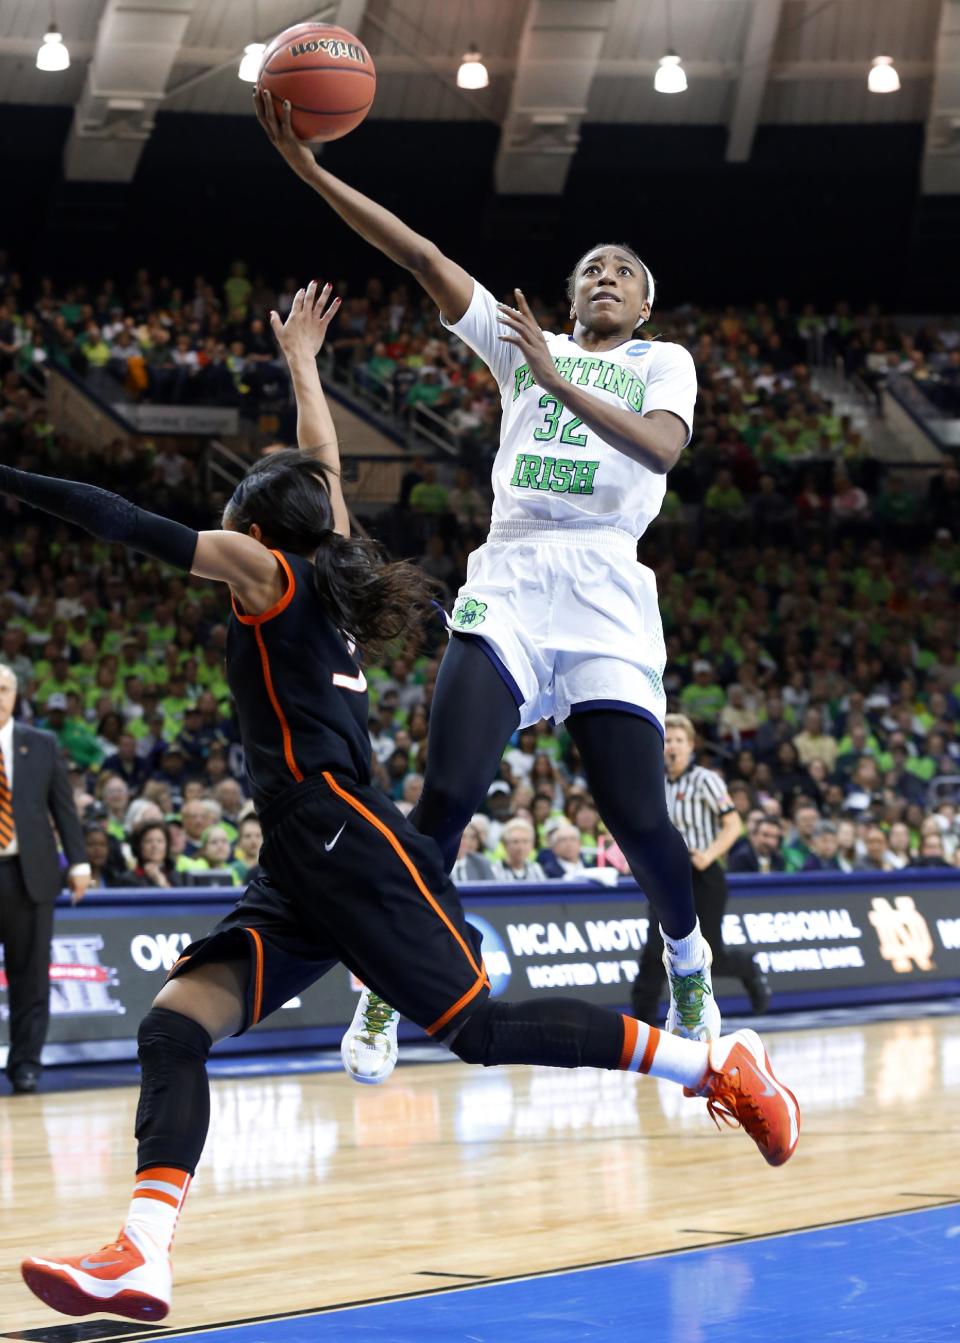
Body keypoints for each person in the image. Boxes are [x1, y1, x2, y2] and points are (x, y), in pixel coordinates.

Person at [10, 281, 799, 1324]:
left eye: (236, 512)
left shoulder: (264, 571)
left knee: (477, 1026)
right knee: (173, 1027)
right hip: (300, 851)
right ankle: (142, 1254)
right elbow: (324, 466)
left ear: (249, 525)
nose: (225, 523)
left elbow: (126, 519)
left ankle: (716, 1062)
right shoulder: (324, 561)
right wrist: (301, 366)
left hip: (342, 830)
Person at [254, 96, 723, 1064]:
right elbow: (423, 255)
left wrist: (555, 382)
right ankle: (388, 986)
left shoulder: (662, 362)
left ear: (643, 306)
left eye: (624, 272)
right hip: (509, 577)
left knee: (639, 816)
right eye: (592, 267)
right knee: (446, 794)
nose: (605, 276)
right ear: (568, 290)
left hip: (603, 589)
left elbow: (663, 452)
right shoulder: (520, 343)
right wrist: (309, 173)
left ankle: (688, 959)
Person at [632, 715, 770, 1024]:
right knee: (656, 951)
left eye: (680, 740)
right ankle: (643, 1024)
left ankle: (747, 967)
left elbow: (733, 824)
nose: (673, 746)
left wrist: (708, 855)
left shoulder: (706, 779)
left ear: (691, 746)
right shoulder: (652, 781)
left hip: (703, 873)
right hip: (665, 876)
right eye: (668, 740)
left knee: (711, 955)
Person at [0, 665, 91, 1094]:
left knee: (31, 976)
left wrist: (79, 863)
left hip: (28, 873)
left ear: (16, 695)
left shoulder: (41, 743)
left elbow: (64, 808)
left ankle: (25, 1065)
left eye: (3, 689)